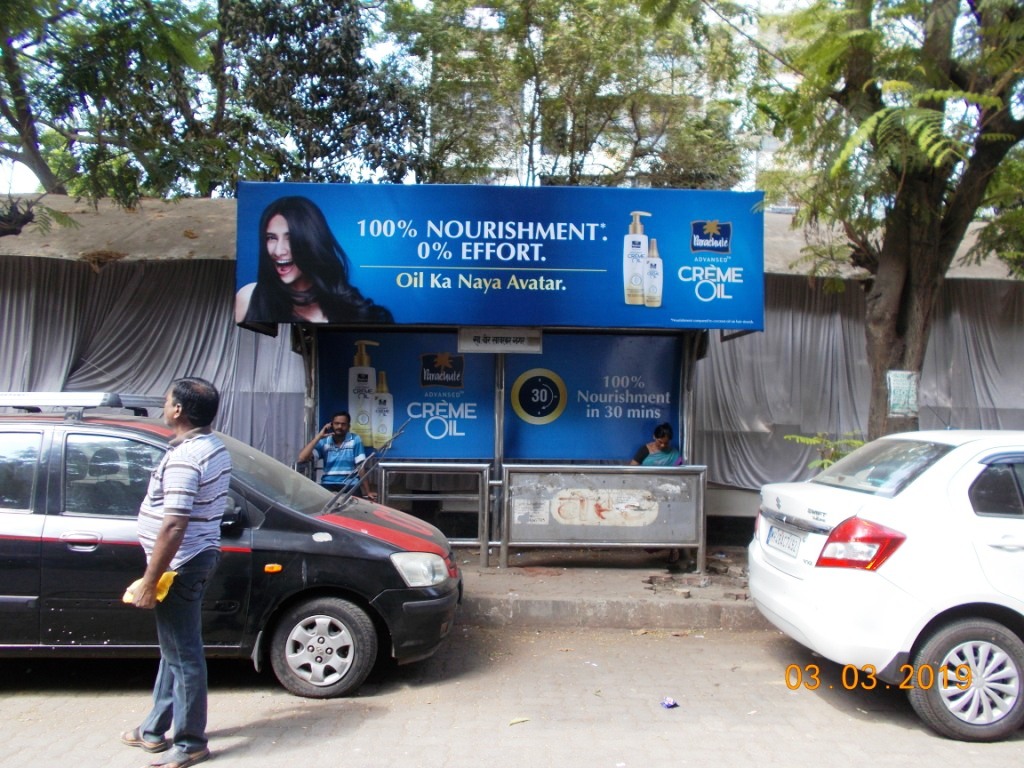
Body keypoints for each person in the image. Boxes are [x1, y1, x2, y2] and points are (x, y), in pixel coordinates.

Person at [122, 377, 232, 768]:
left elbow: (174, 524)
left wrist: (151, 580)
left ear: (178, 410)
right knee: (174, 650)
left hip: (180, 565)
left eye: (167, 400)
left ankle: (190, 742)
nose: (164, 405)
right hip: (192, 558)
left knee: (184, 654)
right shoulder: (209, 446)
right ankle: (154, 729)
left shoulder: (188, 457)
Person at [234, 196, 393, 325]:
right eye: (271, 238)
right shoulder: (250, 297)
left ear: (312, 242)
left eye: (290, 238)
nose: (278, 251)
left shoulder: (358, 313)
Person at [298, 411, 375, 499]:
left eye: (343, 424)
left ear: (348, 426)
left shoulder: (355, 439)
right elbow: (302, 458)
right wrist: (318, 437)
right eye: (336, 423)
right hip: (328, 484)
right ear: (331, 425)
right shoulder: (324, 441)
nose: (340, 427)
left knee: (354, 510)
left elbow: (361, 467)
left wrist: (368, 491)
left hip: (350, 484)